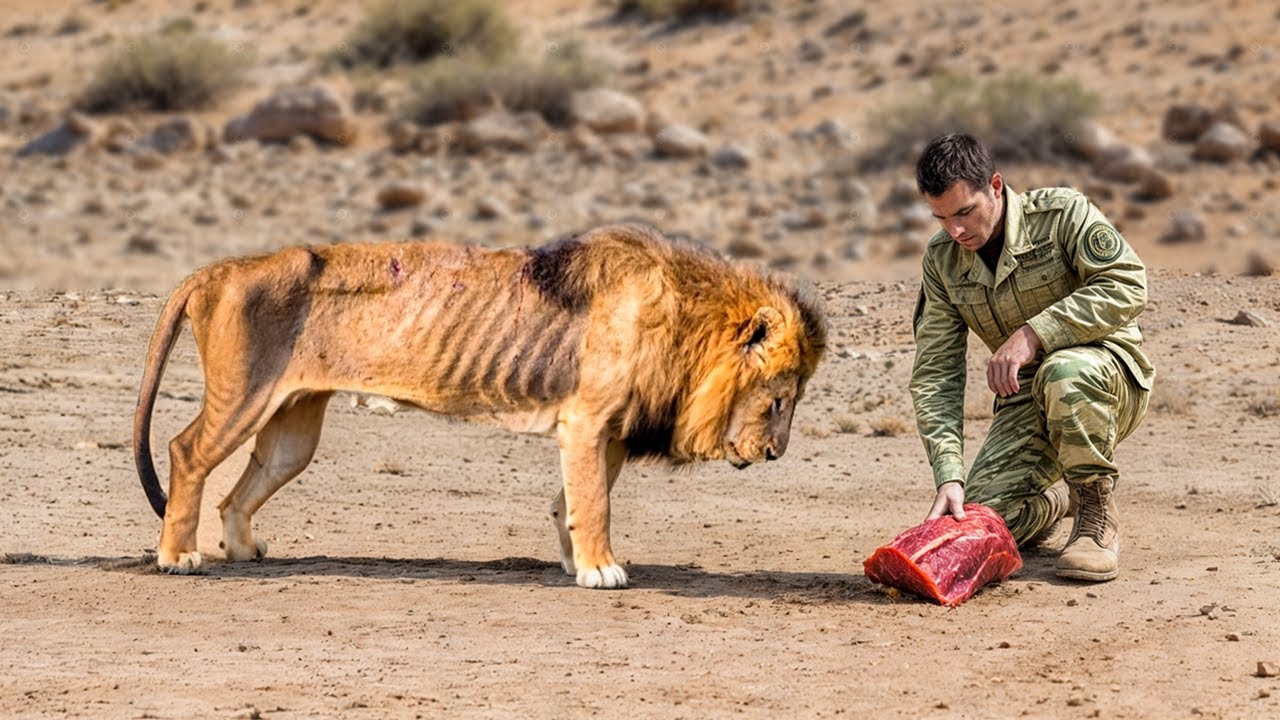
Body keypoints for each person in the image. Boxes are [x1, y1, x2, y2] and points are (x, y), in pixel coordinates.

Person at [908, 132, 1154, 582]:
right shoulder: (943, 260)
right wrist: (949, 476)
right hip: (1028, 401)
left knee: (1064, 371)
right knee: (978, 523)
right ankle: (1058, 501)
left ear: (995, 187)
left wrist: (1034, 334)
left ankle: (1096, 517)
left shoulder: (1061, 215)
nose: (955, 230)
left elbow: (1127, 283)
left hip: (1106, 380)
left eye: (965, 212)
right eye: (941, 218)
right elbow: (936, 373)